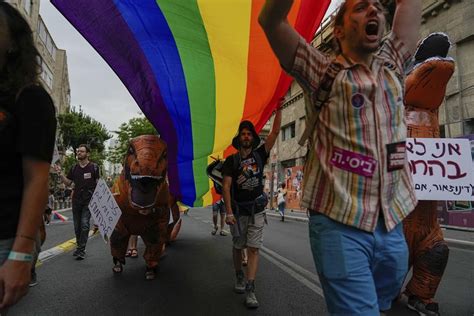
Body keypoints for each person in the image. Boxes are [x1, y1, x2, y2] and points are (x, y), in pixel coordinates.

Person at [260, 0, 421, 314]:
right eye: (361, 7)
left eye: (377, 6)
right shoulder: (319, 68)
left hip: (391, 223)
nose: (374, 10)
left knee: (381, 305)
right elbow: (271, 20)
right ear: (339, 30)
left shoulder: (393, 62)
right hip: (339, 223)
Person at [0, 1, 57, 311]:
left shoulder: (29, 98)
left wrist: (21, 256)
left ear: (12, 44)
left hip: (4, 237)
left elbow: (38, 179)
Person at [222, 109, 281, 309]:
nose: (246, 136)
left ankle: (250, 287)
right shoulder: (231, 161)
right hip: (238, 213)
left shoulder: (260, 155)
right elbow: (227, 187)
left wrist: (279, 110)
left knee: (254, 249)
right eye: (243, 133)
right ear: (239, 138)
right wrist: (228, 212)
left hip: (257, 211)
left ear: (253, 137)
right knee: (239, 247)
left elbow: (273, 134)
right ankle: (239, 275)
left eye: (249, 133)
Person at [55, 144, 100, 260]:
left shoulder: (94, 167)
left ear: (87, 154)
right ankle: (80, 247)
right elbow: (68, 183)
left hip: (88, 201)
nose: (79, 153)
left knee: (85, 225)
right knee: (77, 227)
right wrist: (60, 174)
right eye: (78, 151)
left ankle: (81, 250)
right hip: (76, 201)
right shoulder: (74, 168)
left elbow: (99, 184)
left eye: (81, 151)